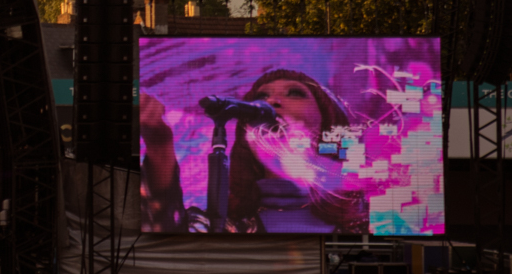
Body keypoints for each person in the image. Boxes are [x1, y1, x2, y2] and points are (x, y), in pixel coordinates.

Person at [137, 68, 367, 234]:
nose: (272, 101)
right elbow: (164, 241)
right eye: (261, 97)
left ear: (328, 121)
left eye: (294, 93)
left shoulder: (373, 221)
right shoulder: (220, 226)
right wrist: (160, 147)